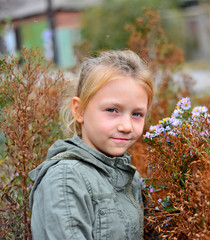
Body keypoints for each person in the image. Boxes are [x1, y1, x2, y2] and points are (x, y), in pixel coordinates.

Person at [29, 49, 154, 239]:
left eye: (137, 114)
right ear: (79, 110)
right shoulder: (65, 179)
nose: (127, 126)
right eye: (112, 110)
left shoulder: (130, 176)